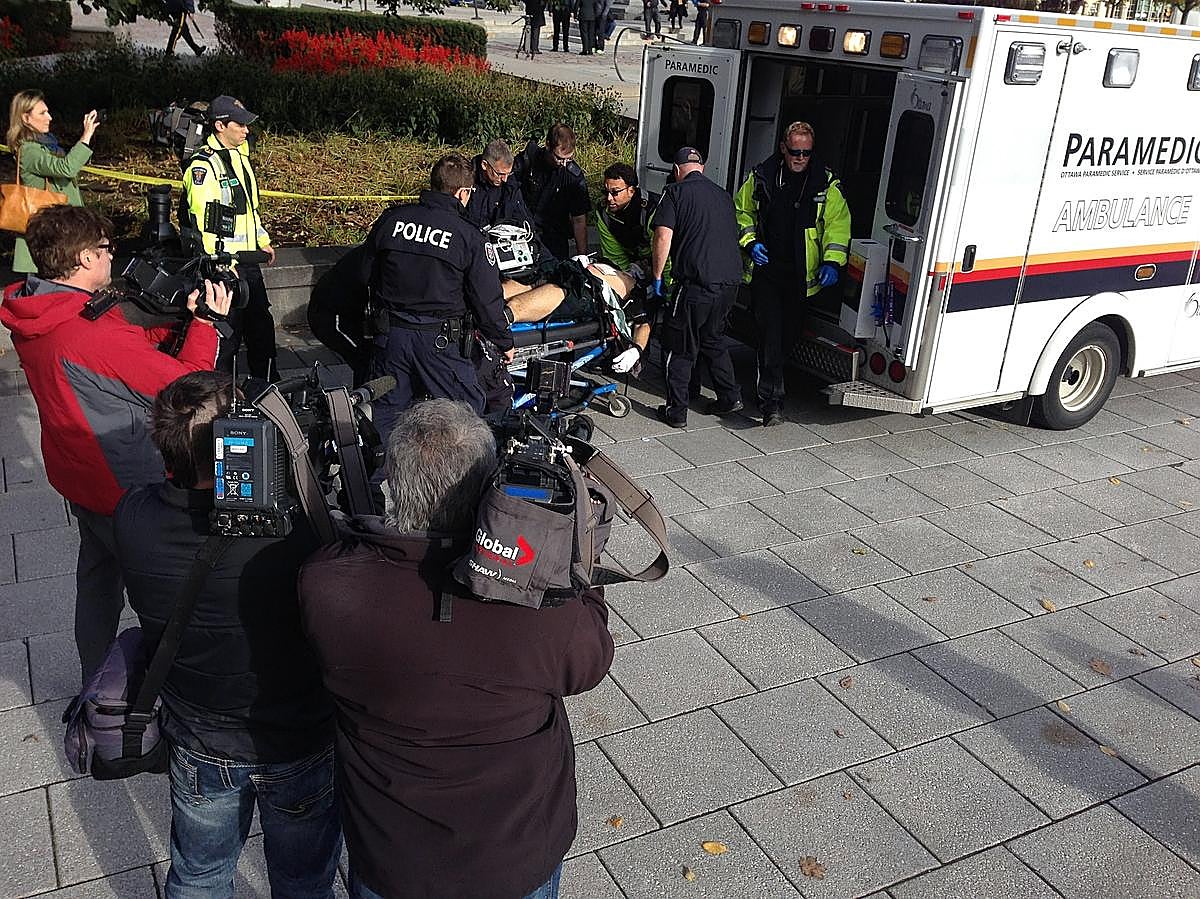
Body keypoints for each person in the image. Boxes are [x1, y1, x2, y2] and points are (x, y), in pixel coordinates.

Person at [298, 398, 614, 899]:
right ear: (491, 492)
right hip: (515, 855)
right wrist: (572, 560)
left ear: (390, 485)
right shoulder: (539, 604)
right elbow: (591, 663)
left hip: (390, 855)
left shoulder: (327, 584)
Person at [114, 370, 340, 899]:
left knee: (197, 876)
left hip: (197, 736)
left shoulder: (132, 517)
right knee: (304, 881)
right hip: (297, 738)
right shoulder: (297, 532)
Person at [0, 205, 229, 681]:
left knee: (98, 579)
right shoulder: (82, 335)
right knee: (168, 588)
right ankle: (161, 688)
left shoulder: (39, 307)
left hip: (78, 472)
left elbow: (120, 343)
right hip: (123, 483)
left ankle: (93, 677)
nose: (113, 258)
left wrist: (172, 321)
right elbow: (189, 387)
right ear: (84, 258)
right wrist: (207, 324)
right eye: (106, 250)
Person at [361, 153, 514, 442]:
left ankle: (370, 484)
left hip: (391, 337)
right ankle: (459, 480)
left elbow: (364, 274)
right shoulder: (468, 236)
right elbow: (486, 300)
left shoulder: (393, 220)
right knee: (464, 419)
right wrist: (504, 341)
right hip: (440, 343)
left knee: (386, 419)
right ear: (462, 192)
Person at [735, 121, 851, 426]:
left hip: (801, 279)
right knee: (770, 338)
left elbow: (837, 226)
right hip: (767, 274)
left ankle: (773, 382)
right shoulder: (763, 176)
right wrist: (750, 242)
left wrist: (833, 261)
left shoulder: (825, 185)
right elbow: (741, 211)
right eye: (795, 152)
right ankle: (771, 403)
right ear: (784, 149)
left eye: (806, 153)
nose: (800, 158)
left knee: (788, 339)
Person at [181, 95, 277, 380]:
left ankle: (268, 386)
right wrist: (222, 264)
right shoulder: (203, 166)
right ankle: (220, 393)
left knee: (261, 328)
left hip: (247, 261)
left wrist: (262, 240)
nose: (246, 131)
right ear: (220, 126)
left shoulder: (240, 157)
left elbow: (249, 209)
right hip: (223, 266)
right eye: (241, 125)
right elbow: (203, 221)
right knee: (228, 336)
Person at [650, 147, 744, 428]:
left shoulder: (674, 193)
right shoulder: (723, 195)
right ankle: (729, 396)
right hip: (729, 285)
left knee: (679, 346)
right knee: (713, 339)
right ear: (701, 168)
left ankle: (676, 410)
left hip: (695, 284)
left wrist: (657, 277)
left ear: (677, 170)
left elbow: (662, 236)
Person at [5, 90, 99, 275]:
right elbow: (66, 168)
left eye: (47, 111)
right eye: (42, 113)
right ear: (25, 118)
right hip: (47, 232)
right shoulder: (30, 150)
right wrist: (86, 136)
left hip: (58, 228)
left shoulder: (45, 145)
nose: (49, 117)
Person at [504, 259, 652, 375]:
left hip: (581, 290)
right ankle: (487, 310)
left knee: (516, 307)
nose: (641, 263)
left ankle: (499, 321)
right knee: (501, 293)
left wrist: (635, 350)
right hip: (565, 270)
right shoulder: (615, 267)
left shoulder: (637, 293)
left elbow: (643, 325)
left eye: (646, 264)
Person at [513, 125, 590, 260]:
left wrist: (582, 257)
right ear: (548, 146)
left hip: (554, 237)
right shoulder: (529, 160)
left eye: (569, 159)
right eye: (559, 158)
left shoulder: (573, 177)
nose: (564, 164)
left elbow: (579, 219)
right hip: (522, 231)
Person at [465, 139, 539, 239]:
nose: (505, 179)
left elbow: (524, 219)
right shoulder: (466, 181)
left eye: (508, 173)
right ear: (484, 165)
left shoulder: (510, 186)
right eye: (500, 174)